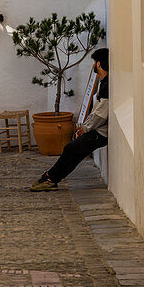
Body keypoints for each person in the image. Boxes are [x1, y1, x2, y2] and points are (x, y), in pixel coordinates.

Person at [30, 48, 109, 191]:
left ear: (98, 64)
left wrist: (85, 128)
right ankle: (52, 178)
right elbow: (97, 110)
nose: (93, 65)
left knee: (71, 148)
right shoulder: (103, 82)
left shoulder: (107, 84)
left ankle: (50, 178)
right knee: (74, 151)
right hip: (97, 129)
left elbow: (101, 113)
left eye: (94, 62)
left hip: (102, 132)